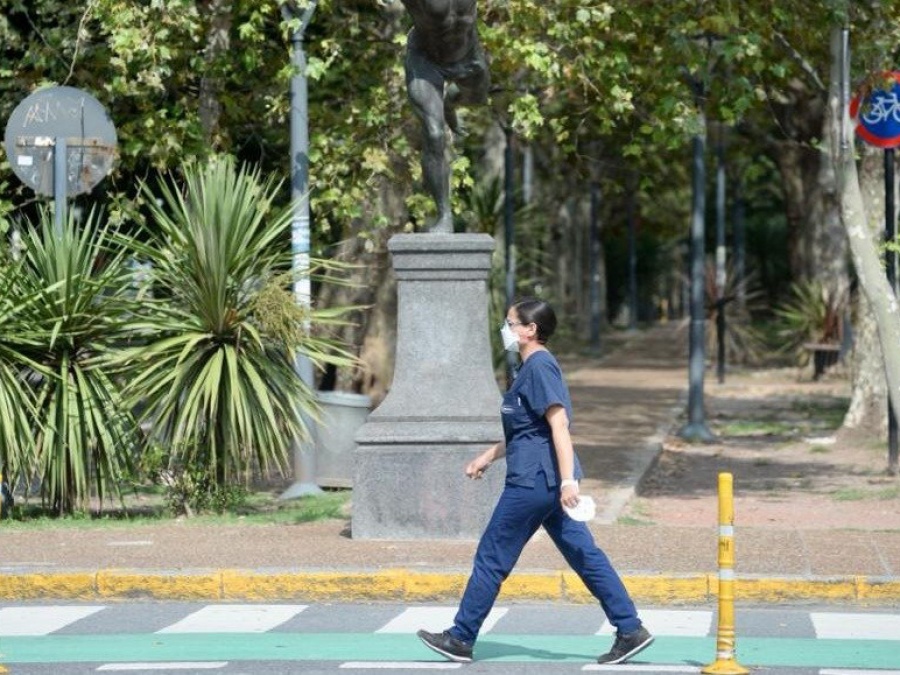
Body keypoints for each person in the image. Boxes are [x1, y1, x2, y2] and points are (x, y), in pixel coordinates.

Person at [417, 297, 654, 665]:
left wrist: (566, 483)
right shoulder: (526, 368)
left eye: (511, 323)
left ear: (531, 330)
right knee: (585, 555)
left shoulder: (540, 367)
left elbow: (559, 425)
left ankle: (461, 638)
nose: (506, 330)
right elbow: (527, 430)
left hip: (535, 484)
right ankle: (630, 630)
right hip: (543, 481)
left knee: (492, 557)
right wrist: (487, 456)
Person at [400, 0, 490, 233]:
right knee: (434, 134)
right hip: (425, 61)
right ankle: (444, 215)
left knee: (477, 99)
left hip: (469, 59)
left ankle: (450, 103)